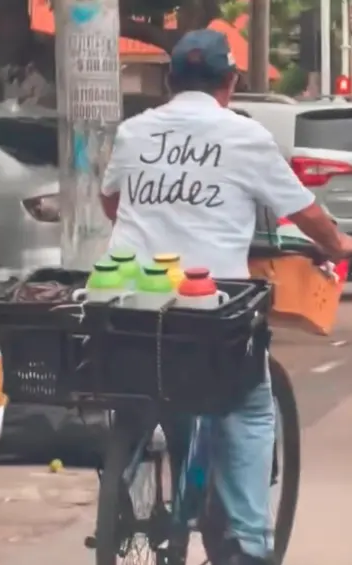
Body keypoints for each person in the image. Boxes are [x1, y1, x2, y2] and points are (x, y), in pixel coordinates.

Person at [99, 30, 352, 565]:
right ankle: (250, 545)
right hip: (209, 308)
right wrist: (340, 244)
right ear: (231, 82)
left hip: (127, 300)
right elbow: (307, 216)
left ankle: (124, 478)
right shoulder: (245, 136)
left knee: (138, 382)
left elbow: (112, 204)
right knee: (251, 406)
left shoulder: (133, 130)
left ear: (170, 81)